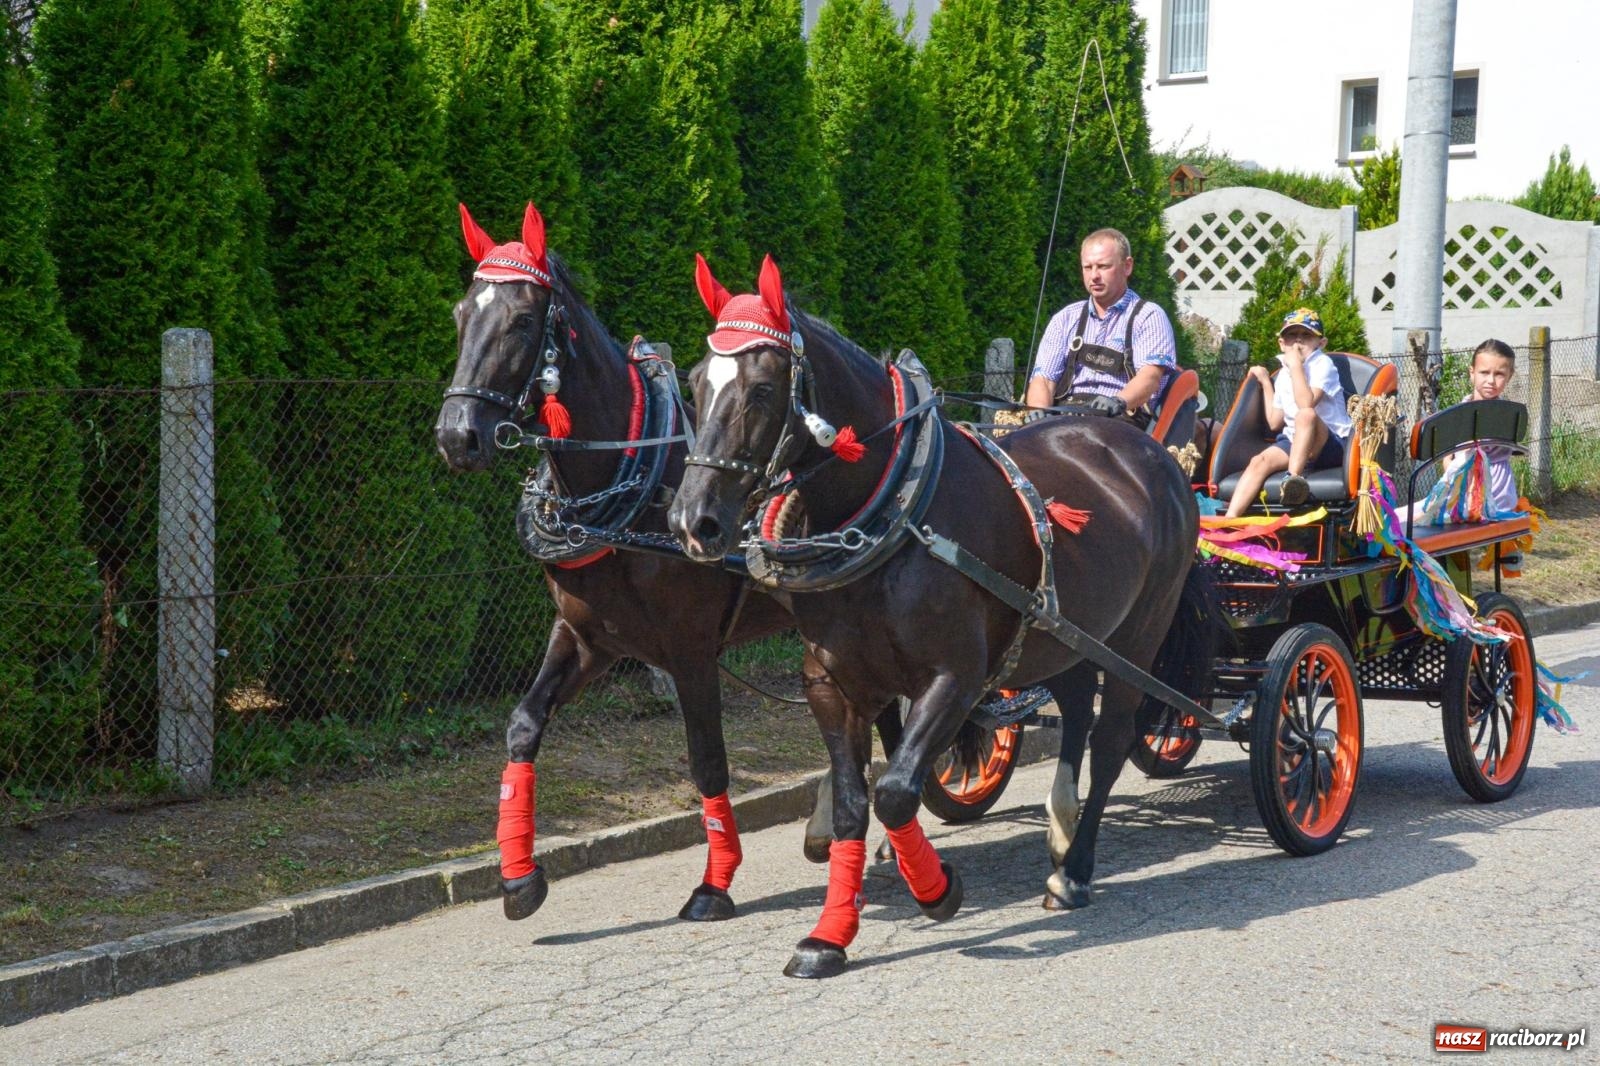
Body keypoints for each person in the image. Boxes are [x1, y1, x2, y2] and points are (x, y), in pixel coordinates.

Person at [1023, 228, 1178, 426]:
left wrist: (1118, 401)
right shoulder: (1065, 318)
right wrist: (1038, 414)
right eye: (1088, 267)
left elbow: (1150, 377)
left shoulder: (1148, 316)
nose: (1094, 276)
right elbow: (1043, 379)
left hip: (1121, 421)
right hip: (1065, 417)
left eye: (1103, 266)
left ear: (1127, 266)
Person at [1223, 308, 1353, 517]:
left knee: (1306, 415)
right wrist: (1266, 382)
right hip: (1295, 441)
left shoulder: (1323, 364)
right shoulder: (1284, 373)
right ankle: (1230, 521)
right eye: (1291, 336)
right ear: (1282, 344)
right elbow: (1274, 422)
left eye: (1306, 336)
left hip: (1331, 443)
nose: (1298, 342)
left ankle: (1292, 481)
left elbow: (1306, 404)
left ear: (1321, 343)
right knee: (1259, 462)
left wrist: (1295, 367)